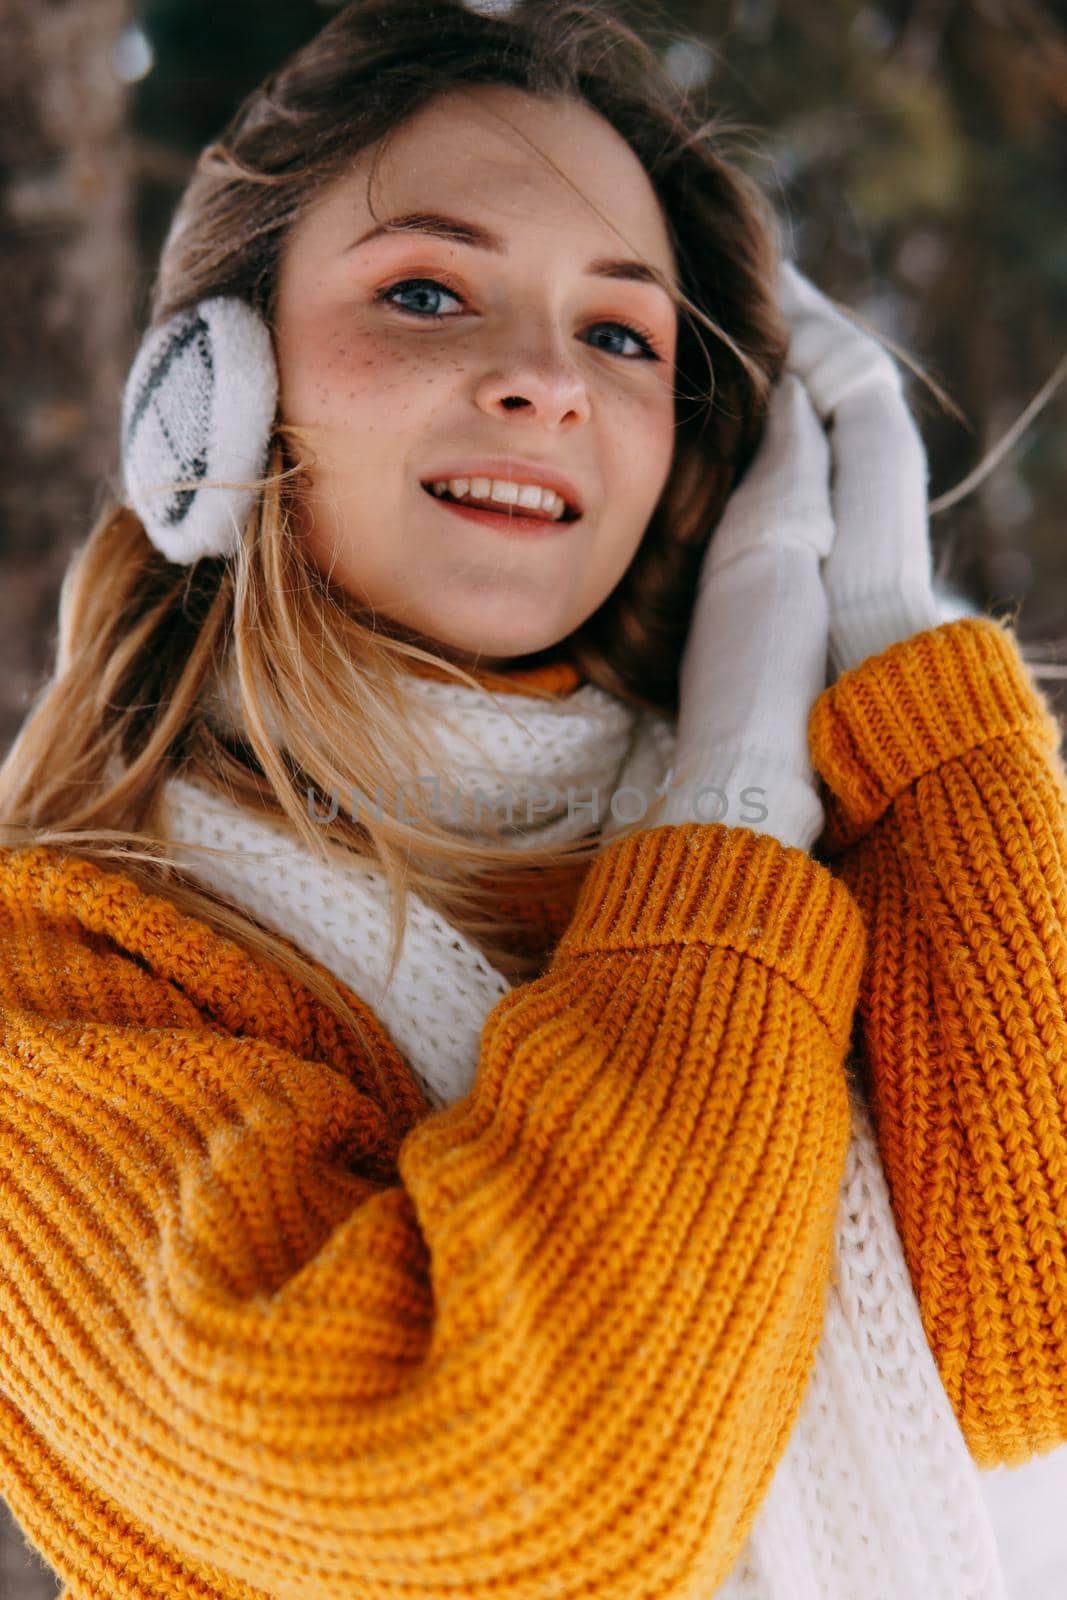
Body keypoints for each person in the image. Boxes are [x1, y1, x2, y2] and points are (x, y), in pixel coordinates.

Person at [1, 2, 1065, 1596]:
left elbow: (1028, 1350)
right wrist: (725, 814)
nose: (543, 381)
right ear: (212, 395)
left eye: (624, 334)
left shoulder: (825, 846)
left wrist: (888, 647)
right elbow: (532, 1499)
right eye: (426, 291)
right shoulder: (69, 981)